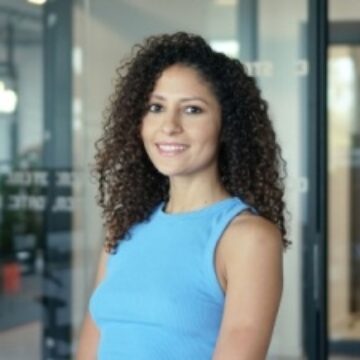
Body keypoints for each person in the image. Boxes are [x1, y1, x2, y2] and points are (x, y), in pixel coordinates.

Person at [76, 31, 290, 360]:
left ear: (226, 126)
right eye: (155, 107)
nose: (169, 125)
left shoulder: (248, 238)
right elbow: (91, 349)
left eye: (192, 110)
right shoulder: (122, 227)